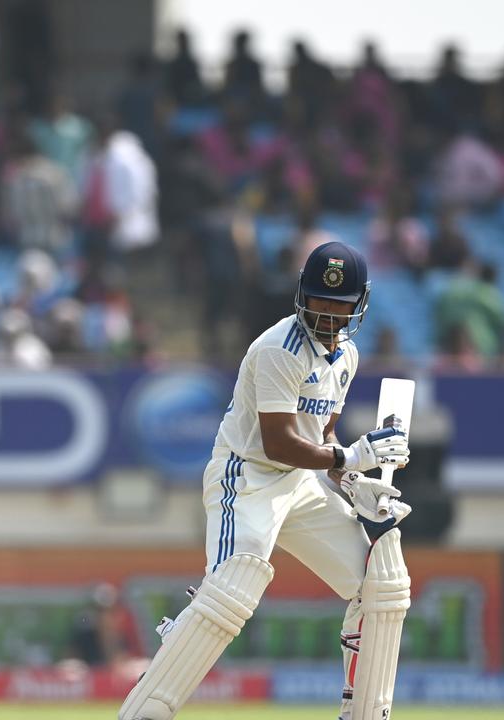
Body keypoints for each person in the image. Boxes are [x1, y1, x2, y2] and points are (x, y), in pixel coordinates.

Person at [118, 241, 413, 720]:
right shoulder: (281, 348)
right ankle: (151, 703)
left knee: (380, 582)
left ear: (358, 305)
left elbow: (322, 437)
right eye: (319, 300)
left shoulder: (347, 357)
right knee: (235, 586)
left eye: (338, 304)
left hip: (300, 484)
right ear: (301, 295)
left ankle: (364, 712)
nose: (326, 313)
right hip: (248, 477)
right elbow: (278, 443)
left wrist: (356, 477)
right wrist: (347, 455)